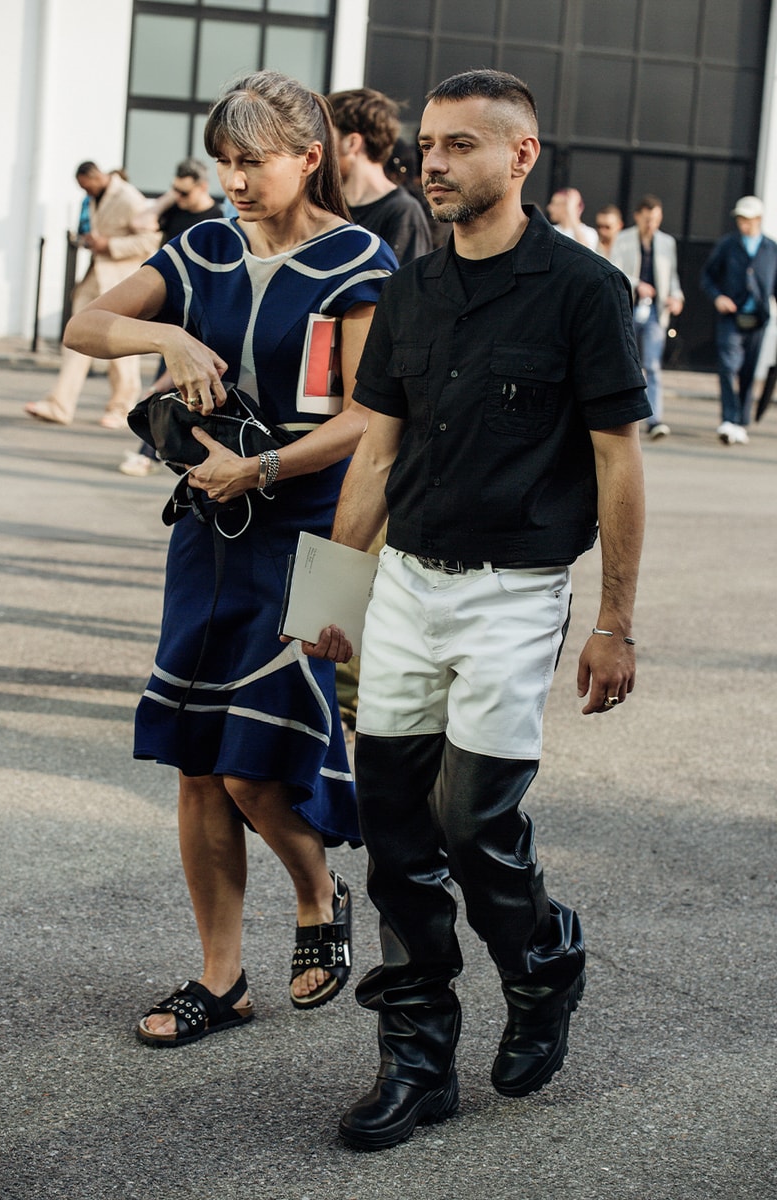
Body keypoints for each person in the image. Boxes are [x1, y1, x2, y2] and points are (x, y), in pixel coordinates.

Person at [304, 67, 649, 1151]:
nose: (432, 163)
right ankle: (415, 1061)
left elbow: (615, 461)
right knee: (395, 834)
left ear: (520, 157)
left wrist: (613, 621)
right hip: (405, 585)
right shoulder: (409, 291)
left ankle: (541, 963)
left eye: (458, 145)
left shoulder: (583, 291)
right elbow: (377, 448)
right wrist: (327, 594)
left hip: (515, 593)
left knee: (470, 822)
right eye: (427, 146)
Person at [64, 70, 396, 1044]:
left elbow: (372, 421)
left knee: (258, 768)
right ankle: (219, 979)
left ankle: (315, 893)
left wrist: (261, 470)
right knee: (197, 762)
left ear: (311, 156)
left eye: (255, 161)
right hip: (208, 537)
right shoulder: (202, 245)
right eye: (225, 163)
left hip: (313, 535)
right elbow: (87, 323)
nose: (237, 180)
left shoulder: (357, 261)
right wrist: (165, 334)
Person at [25, 162, 160, 428]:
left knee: (123, 346)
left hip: (120, 281)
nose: (86, 192)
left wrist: (109, 244)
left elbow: (151, 240)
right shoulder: (96, 196)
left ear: (95, 176)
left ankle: (122, 409)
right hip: (94, 277)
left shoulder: (128, 197)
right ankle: (59, 405)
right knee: (77, 339)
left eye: (86, 186)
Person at [120, 159, 225, 477]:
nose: (179, 196)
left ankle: (150, 453)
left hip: (198, 311)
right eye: (175, 189)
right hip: (170, 312)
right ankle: (158, 452)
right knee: (167, 384)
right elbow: (140, 222)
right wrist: (170, 196)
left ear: (202, 187)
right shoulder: (174, 208)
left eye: (184, 191)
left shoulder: (215, 219)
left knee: (167, 387)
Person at [701, 195, 777, 445]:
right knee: (728, 366)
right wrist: (718, 297)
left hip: (757, 319)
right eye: (740, 219)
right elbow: (707, 277)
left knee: (748, 371)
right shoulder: (728, 245)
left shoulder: (771, 249)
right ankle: (728, 418)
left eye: (747, 219)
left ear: (758, 219)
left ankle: (741, 421)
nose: (743, 224)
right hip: (731, 317)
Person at [327, 87, 432, 265]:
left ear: (352, 142)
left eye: (326, 137)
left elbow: (404, 289)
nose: (318, 148)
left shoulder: (403, 213)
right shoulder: (329, 205)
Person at [611, 195, 684, 439]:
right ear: (637, 217)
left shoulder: (666, 243)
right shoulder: (623, 239)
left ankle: (655, 420)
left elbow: (672, 276)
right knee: (625, 363)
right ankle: (624, 416)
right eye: (646, 219)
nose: (650, 224)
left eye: (654, 219)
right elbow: (615, 270)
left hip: (655, 310)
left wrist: (676, 297)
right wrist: (638, 283)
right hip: (629, 308)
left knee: (652, 365)